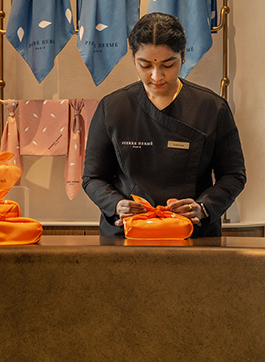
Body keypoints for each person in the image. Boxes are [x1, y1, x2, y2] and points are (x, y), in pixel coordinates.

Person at [82, 12, 246, 238]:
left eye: (168, 65)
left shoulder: (212, 108)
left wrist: (203, 207)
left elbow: (233, 175)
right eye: (145, 65)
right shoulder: (112, 108)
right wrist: (116, 204)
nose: (156, 76)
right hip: (126, 235)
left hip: (193, 236)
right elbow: (93, 178)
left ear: (183, 57)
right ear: (133, 59)